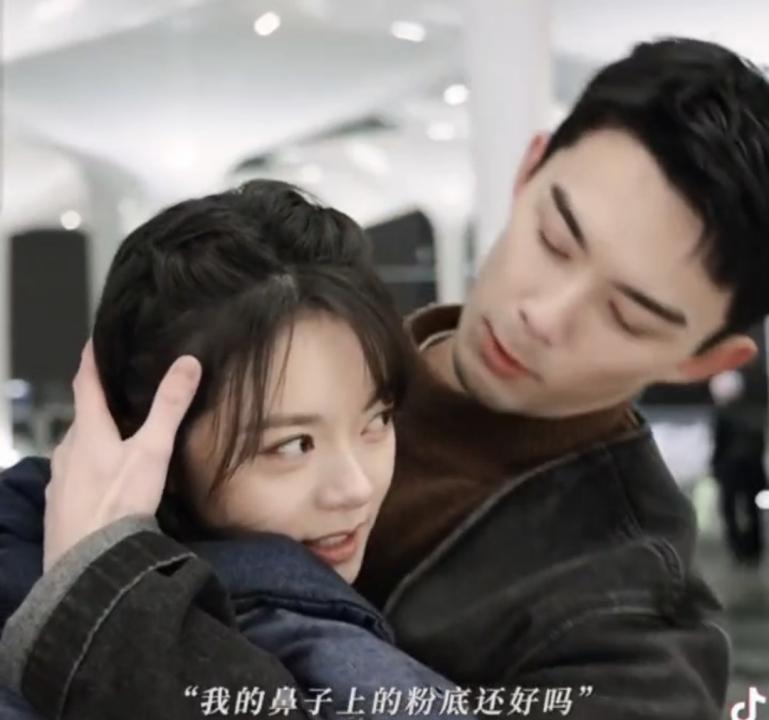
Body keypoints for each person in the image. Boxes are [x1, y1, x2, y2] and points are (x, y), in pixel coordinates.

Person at [4, 36, 769, 719]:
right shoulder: (289, 334)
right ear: (528, 171)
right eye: (554, 238)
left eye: (625, 315)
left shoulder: (636, 643)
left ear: (700, 362)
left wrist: (107, 604)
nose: (543, 314)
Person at [0, 180, 488, 720]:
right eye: (294, 445)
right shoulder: (330, 664)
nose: (356, 487)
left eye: (376, 420)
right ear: (159, 449)